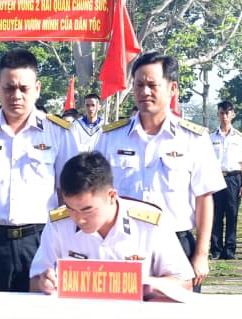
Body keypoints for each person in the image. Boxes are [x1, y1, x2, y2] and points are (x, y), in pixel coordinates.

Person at [0, 48, 76, 292]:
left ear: (37, 89)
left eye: (24, 88)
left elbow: (67, 197)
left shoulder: (59, 133)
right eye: (9, 88)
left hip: (42, 242)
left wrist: (67, 249)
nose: (16, 95)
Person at [94, 51, 223, 287]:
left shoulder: (193, 139)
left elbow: (204, 198)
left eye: (152, 85)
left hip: (176, 242)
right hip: (123, 244)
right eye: (139, 85)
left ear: (172, 88)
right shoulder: (111, 138)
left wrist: (201, 255)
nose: (144, 92)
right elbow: (98, 194)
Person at [29, 151, 194, 293]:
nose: (79, 218)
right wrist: (44, 282)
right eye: (71, 208)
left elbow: (185, 283)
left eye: (87, 210)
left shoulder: (149, 223)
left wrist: (140, 283)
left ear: (112, 196)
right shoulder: (59, 224)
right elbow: (35, 281)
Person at [209, 100, 242, 260]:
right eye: (221, 113)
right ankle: (216, 249)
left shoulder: (239, 137)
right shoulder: (210, 137)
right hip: (216, 177)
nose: (224, 116)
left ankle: (230, 249)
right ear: (218, 114)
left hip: (233, 178)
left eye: (227, 113)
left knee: (232, 215)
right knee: (215, 215)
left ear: (233, 115)